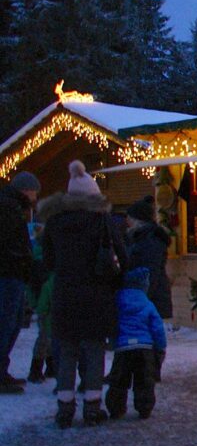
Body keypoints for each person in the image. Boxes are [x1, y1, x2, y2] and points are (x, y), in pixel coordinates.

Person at [40, 160, 125, 428]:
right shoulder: (102, 221)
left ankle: (64, 408)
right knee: (94, 351)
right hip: (97, 293)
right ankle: (91, 406)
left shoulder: (54, 222)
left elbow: (48, 261)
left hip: (65, 294)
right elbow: (122, 255)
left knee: (67, 351)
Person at [105, 267, 166, 420]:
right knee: (144, 380)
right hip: (144, 348)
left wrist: (112, 341)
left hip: (123, 347)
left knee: (119, 380)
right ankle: (144, 407)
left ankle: (116, 407)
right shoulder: (147, 304)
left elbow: (112, 322)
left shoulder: (118, 301)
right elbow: (157, 327)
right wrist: (160, 346)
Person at [0, 171, 40, 394]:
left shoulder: (12, 207)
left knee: (12, 322)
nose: (35, 197)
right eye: (35, 192)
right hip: (9, 273)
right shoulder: (9, 209)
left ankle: (2, 370)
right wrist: (22, 257)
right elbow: (11, 242)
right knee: (7, 322)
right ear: (27, 190)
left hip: (13, 272)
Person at [125, 196, 173, 320]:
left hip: (151, 300)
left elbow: (151, 272)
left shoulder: (150, 240)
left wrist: (141, 299)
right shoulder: (139, 238)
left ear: (138, 219)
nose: (127, 221)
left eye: (130, 217)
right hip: (146, 298)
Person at [26, 222, 55, 383]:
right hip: (46, 303)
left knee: (48, 336)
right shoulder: (43, 261)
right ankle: (36, 369)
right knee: (45, 336)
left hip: (42, 303)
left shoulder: (35, 257)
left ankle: (49, 367)